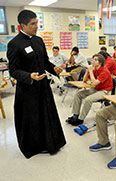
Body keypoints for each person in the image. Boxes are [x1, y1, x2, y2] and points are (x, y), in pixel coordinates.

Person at [7, 10, 66, 158]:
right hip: (27, 89)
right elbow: (13, 70)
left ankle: (50, 143)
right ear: (22, 26)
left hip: (43, 87)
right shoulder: (14, 44)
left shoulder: (38, 40)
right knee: (32, 118)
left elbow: (45, 61)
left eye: (37, 23)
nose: (36, 26)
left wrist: (54, 68)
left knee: (47, 115)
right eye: (32, 24)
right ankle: (35, 147)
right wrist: (29, 76)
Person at [66, 54, 113, 126]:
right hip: (96, 89)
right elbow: (84, 80)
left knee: (88, 99)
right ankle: (75, 115)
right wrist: (88, 71)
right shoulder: (95, 70)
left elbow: (94, 83)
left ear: (100, 62)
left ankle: (80, 119)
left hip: (104, 91)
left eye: (95, 60)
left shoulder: (104, 71)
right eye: (93, 59)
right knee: (78, 94)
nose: (93, 61)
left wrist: (91, 71)